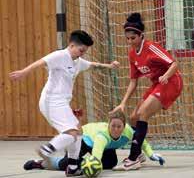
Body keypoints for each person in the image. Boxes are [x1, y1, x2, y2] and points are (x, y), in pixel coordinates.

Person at [9, 30, 120, 177]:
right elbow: (41, 62)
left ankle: (73, 167)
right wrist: (24, 72)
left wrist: (109, 66)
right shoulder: (60, 55)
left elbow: (93, 65)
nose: (82, 53)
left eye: (84, 51)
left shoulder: (77, 62)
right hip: (51, 101)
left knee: (79, 132)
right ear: (72, 45)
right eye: (81, 50)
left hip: (62, 103)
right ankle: (47, 150)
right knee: (72, 133)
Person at [109, 13, 183, 170]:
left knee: (143, 113)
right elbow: (133, 81)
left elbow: (174, 63)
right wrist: (123, 103)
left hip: (171, 82)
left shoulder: (151, 47)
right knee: (134, 117)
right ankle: (140, 155)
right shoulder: (131, 54)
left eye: (133, 38)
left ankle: (133, 157)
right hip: (157, 84)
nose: (130, 42)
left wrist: (165, 76)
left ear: (141, 35)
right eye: (127, 39)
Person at [23, 110, 165, 174]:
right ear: (108, 125)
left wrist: (151, 154)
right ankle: (41, 163)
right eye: (113, 126)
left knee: (110, 164)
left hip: (107, 148)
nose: (115, 129)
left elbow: (140, 141)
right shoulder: (102, 136)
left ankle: (136, 158)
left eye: (119, 126)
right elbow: (96, 155)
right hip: (84, 140)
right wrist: (91, 166)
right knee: (71, 166)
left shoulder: (128, 131)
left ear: (123, 126)